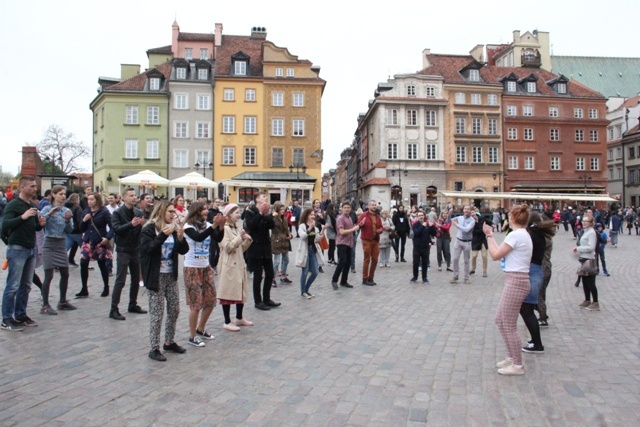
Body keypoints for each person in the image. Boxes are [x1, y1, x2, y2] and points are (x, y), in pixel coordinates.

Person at [482, 204, 533, 376]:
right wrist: (490, 236)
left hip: (516, 281)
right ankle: (511, 356)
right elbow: (500, 251)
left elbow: (495, 255)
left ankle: (517, 364)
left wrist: (488, 237)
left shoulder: (516, 235)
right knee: (500, 320)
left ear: (512, 218)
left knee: (509, 324)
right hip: (515, 279)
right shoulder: (520, 235)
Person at [140, 200, 189, 361]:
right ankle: (154, 348)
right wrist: (162, 235)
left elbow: (183, 251)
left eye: (174, 211)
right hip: (156, 276)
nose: (173, 214)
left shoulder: (173, 229)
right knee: (157, 313)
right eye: (170, 211)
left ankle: (169, 341)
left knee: (174, 309)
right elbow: (148, 249)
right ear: (161, 212)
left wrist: (181, 238)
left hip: (170, 274)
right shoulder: (149, 229)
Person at [1, 176, 45, 331]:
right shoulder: (13, 205)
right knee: (13, 285)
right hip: (18, 248)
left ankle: (21, 315)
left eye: (35, 186)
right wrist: (23, 217)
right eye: (32, 186)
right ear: (22, 187)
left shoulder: (32, 205)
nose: (35, 189)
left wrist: (39, 225)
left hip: (31, 248)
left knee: (26, 285)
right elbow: (5, 225)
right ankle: (6, 318)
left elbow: (33, 228)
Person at [182, 202, 225, 346]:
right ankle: (192, 335)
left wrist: (221, 226)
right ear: (196, 212)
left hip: (206, 266)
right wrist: (213, 226)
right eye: (204, 209)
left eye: (207, 209)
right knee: (195, 303)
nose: (207, 211)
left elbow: (218, 238)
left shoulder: (207, 225)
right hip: (192, 267)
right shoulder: (188, 227)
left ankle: (201, 329)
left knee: (211, 300)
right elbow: (198, 238)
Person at [110, 188, 146, 320]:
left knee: (136, 279)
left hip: (135, 249)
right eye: (130, 195)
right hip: (123, 249)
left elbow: (142, 232)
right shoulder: (117, 213)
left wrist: (143, 225)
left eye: (134, 195)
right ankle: (114, 309)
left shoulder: (138, 212)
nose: (133, 197)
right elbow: (117, 229)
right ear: (124, 198)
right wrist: (130, 224)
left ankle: (133, 304)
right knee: (120, 280)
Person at [521, 212, 555, 354]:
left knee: (527, 310)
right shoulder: (538, 234)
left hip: (534, 272)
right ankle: (535, 340)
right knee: (527, 309)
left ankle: (537, 343)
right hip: (537, 271)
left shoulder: (532, 236)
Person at [38, 185, 75, 314]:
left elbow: (70, 230)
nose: (63, 196)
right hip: (49, 243)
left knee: (65, 273)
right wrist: (49, 214)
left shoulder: (66, 211)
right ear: (53, 195)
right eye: (60, 193)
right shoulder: (47, 208)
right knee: (48, 275)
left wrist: (67, 220)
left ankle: (62, 301)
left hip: (61, 243)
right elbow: (40, 223)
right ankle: (45, 305)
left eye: (64, 194)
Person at [217, 203, 254, 332]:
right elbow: (228, 247)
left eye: (239, 212)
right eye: (236, 212)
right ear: (229, 214)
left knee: (240, 291)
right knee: (227, 292)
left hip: (238, 263)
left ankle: (239, 317)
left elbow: (240, 249)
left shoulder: (237, 228)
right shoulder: (225, 229)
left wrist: (247, 240)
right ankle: (227, 321)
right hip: (229, 265)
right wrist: (239, 237)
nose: (239, 215)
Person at [243, 192, 280, 310]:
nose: (266, 199)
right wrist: (260, 213)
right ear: (257, 199)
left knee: (269, 274)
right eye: (264, 197)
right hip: (255, 248)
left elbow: (272, 226)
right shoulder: (249, 212)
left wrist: (267, 215)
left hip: (266, 247)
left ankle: (267, 298)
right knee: (258, 276)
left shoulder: (266, 212)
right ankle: (258, 301)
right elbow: (251, 226)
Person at [77, 192, 113, 298]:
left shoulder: (104, 211)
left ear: (97, 200)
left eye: (92, 199)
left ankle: (106, 287)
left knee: (102, 264)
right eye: (88, 199)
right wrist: (84, 220)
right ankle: (84, 288)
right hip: (88, 241)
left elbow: (112, 226)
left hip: (99, 241)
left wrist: (107, 238)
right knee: (83, 263)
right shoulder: (86, 211)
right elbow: (81, 228)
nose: (89, 201)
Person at [296, 208, 325, 298]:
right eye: (311, 215)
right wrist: (310, 228)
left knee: (315, 272)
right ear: (306, 216)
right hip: (305, 250)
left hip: (313, 250)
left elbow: (317, 239)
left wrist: (322, 231)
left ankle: (306, 289)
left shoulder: (315, 227)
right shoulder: (302, 226)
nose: (313, 216)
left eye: (313, 215)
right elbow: (303, 236)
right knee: (304, 272)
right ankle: (303, 291)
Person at [331, 202, 360, 290]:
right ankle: (334, 280)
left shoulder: (350, 218)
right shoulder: (340, 218)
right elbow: (342, 232)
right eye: (345, 207)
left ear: (350, 209)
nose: (347, 209)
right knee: (342, 262)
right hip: (341, 243)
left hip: (349, 243)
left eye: (348, 207)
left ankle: (344, 281)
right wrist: (353, 229)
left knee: (348, 263)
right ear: (342, 209)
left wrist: (358, 225)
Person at [574, 215, 599, 310]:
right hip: (583, 259)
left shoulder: (592, 233)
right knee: (584, 281)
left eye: (586, 221)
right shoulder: (585, 232)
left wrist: (579, 248)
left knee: (591, 282)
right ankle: (587, 300)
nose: (584, 223)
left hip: (589, 259)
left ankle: (595, 302)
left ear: (591, 222)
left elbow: (591, 247)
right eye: (583, 221)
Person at [357, 200, 383, 286]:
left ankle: (371, 278)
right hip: (366, 240)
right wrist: (360, 224)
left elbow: (381, 227)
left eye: (375, 205)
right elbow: (358, 225)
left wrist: (380, 230)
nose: (374, 206)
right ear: (369, 206)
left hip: (375, 240)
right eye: (372, 205)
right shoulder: (364, 215)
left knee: (375, 260)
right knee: (367, 259)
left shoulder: (378, 217)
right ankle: (365, 278)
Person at [450, 205, 476, 284]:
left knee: (466, 261)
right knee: (455, 259)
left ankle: (466, 278)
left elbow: (467, 230)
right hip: (458, 241)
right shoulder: (459, 217)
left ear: (470, 211)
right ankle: (455, 276)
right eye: (465, 209)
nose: (466, 210)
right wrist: (449, 214)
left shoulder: (472, 220)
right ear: (463, 210)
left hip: (467, 242)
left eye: (468, 209)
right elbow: (450, 220)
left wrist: (456, 225)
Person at [410, 211, 436, 283]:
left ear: (424, 216)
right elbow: (416, 233)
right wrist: (422, 226)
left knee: (425, 263)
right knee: (416, 262)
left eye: (422, 215)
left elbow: (434, 233)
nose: (421, 217)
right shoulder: (415, 224)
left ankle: (424, 277)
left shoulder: (428, 224)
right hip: (417, 247)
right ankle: (415, 276)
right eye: (419, 215)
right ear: (417, 217)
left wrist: (432, 226)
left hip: (425, 247)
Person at [271, 202, 293, 286]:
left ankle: (283, 276)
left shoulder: (285, 218)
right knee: (276, 262)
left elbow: (286, 229)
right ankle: (272, 278)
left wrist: (289, 234)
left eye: (284, 209)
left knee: (286, 260)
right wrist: (274, 216)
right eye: (281, 209)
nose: (283, 211)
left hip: (284, 242)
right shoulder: (274, 219)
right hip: (276, 241)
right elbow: (275, 231)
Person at [470, 208, 490, 278]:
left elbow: (488, 221)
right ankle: (473, 269)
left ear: (475, 213)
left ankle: (484, 270)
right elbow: (474, 232)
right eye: (471, 213)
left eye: (473, 212)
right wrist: (483, 230)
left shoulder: (482, 218)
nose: (472, 214)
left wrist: (492, 224)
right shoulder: (470, 222)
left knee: (484, 256)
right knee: (474, 256)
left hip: (483, 240)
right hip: (475, 240)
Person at [64, 193, 84, 267]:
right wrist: (83, 230)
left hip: (68, 230)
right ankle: (85, 263)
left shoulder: (65, 206)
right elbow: (80, 220)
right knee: (84, 247)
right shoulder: (77, 207)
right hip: (77, 231)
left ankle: (60, 262)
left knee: (67, 247)